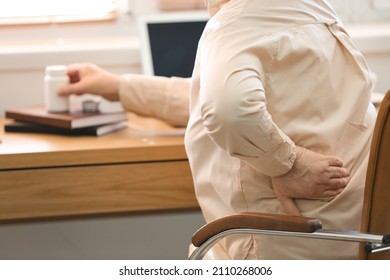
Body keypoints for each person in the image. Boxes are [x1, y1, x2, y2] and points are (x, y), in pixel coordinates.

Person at [58, 0, 376, 259]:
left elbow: (229, 111)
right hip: (347, 239)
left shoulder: (236, 23)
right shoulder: (310, 10)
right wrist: (118, 87)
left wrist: (290, 164)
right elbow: (218, 102)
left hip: (274, 246)